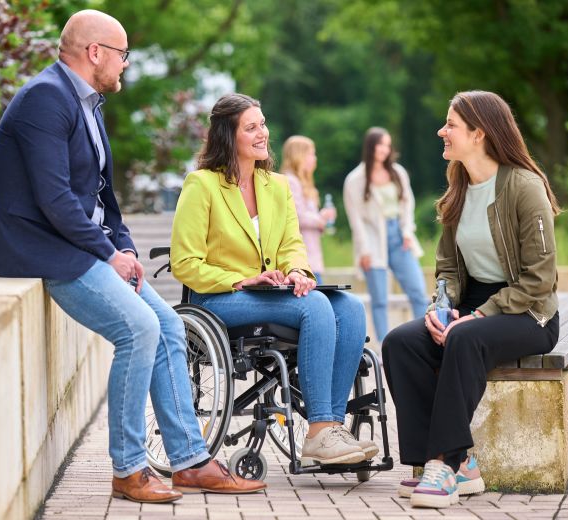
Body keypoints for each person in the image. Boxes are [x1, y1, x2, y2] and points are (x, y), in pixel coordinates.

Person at [0, 10, 265, 503]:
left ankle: (190, 461)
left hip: (84, 248)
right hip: (48, 252)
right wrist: (107, 252)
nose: (126, 65)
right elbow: (54, 199)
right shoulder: (45, 99)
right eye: (122, 54)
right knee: (139, 329)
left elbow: (103, 195)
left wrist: (125, 245)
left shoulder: (87, 104)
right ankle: (129, 470)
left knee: (170, 326)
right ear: (95, 53)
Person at [170, 93, 378, 466]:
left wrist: (298, 271)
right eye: (251, 127)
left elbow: (292, 245)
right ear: (227, 136)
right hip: (217, 299)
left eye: (263, 124)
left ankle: (330, 426)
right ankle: (319, 430)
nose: (262, 132)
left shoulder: (277, 186)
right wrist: (241, 280)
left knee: (349, 307)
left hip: (267, 294)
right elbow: (184, 263)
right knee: (314, 307)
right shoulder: (202, 185)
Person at [382, 90, 561, 509]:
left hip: (527, 311)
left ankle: (446, 463)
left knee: (465, 338)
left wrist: (479, 315)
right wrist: (440, 310)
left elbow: (540, 280)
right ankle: (450, 465)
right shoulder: (459, 188)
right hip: (474, 306)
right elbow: (447, 269)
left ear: (478, 133)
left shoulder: (523, 187)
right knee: (400, 342)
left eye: (451, 125)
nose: (441, 131)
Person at [343, 127, 428, 346]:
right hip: (373, 243)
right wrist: (364, 250)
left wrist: (408, 231)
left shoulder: (397, 172)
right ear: (370, 147)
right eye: (380, 144)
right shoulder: (355, 179)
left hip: (400, 238)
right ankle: (383, 346)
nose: (384, 149)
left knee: (418, 291)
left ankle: (423, 341)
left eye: (388, 145)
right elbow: (356, 221)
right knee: (379, 299)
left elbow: (408, 203)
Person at [281, 136, 336, 284]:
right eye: (311, 154)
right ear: (299, 156)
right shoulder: (290, 181)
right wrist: (322, 218)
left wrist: (321, 217)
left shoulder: (303, 182)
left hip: (312, 257)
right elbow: (298, 216)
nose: (314, 158)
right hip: (303, 260)